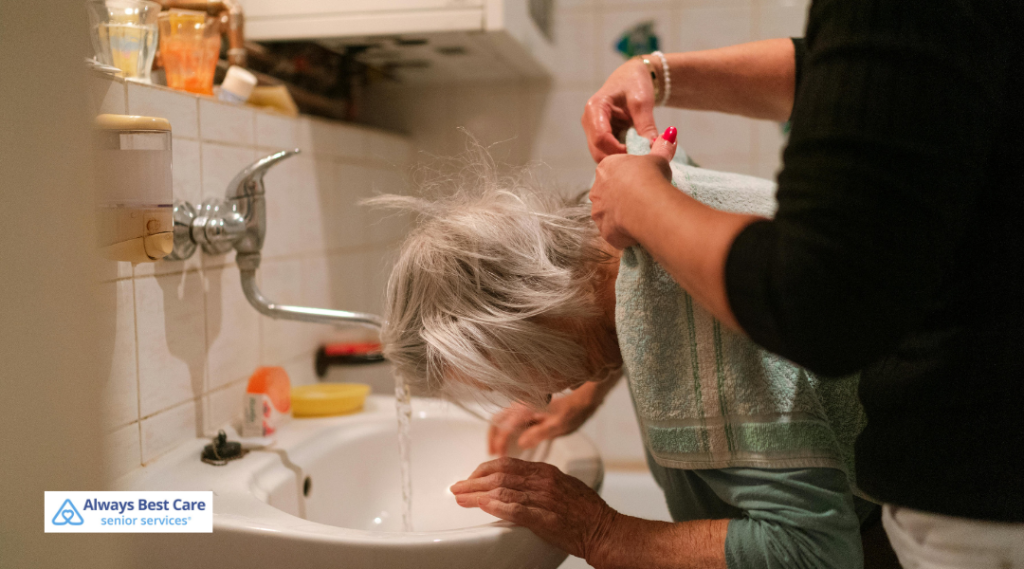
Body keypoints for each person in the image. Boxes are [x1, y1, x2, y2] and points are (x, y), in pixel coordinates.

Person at [582, 1, 1024, 567]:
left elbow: (819, 300)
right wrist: (661, 73)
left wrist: (643, 204)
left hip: (983, 484)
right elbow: (893, 83)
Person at [371, 143, 877, 569]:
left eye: (515, 370)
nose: (541, 398)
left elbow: (818, 552)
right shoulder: (633, 219)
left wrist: (602, 533)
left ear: (528, 314)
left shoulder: (693, 329)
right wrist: (592, 385)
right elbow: (645, 310)